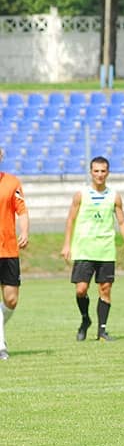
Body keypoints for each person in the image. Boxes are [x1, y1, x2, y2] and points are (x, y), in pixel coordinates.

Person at [61, 156, 124, 342]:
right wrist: (67, 244)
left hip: (106, 249)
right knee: (81, 289)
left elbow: (122, 221)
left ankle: (102, 331)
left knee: (105, 289)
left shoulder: (114, 196)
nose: (100, 174)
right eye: (96, 171)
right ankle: (85, 319)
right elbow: (70, 219)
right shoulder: (81, 194)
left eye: (103, 171)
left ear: (108, 173)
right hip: (84, 248)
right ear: (91, 172)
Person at [0, 148, 29, 360]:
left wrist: (25, 231)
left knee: (11, 300)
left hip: (9, 250)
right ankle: (1, 346)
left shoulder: (12, 182)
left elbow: (22, 211)